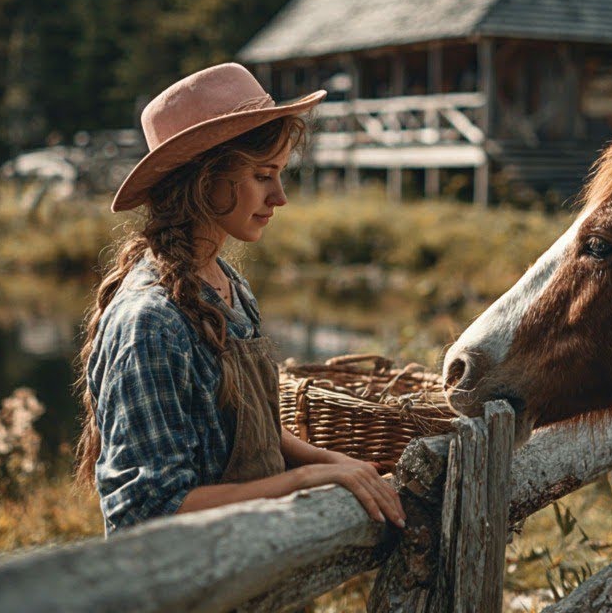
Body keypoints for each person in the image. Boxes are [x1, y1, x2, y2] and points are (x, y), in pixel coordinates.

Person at [73, 63, 406, 535]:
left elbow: (252, 427)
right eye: (262, 175)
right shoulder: (150, 322)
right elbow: (149, 512)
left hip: (252, 562)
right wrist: (304, 479)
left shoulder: (228, 285)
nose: (280, 197)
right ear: (202, 179)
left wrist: (334, 462)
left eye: (280, 174)